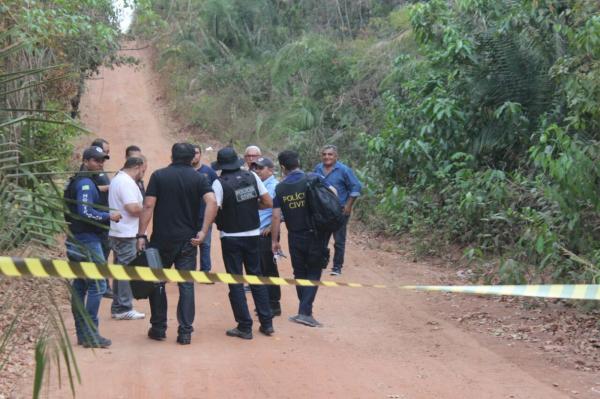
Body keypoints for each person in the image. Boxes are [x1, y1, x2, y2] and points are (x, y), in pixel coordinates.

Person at [137, 143, 217, 345]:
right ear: (192, 159)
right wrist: (203, 230)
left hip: (161, 240)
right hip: (188, 241)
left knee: (157, 283)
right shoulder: (200, 178)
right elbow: (212, 202)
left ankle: (158, 327)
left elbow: (148, 205)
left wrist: (140, 234)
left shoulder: (159, 176)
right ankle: (185, 332)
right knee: (186, 286)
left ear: (171, 156)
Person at [211, 147, 274, 339]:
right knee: (256, 277)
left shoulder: (219, 183)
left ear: (221, 165)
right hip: (253, 234)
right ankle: (267, 323)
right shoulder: (252, 177)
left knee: (236, 281)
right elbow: (268, 202)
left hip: (230, 237)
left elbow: (214, 209)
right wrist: (251, 207)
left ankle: (244, 326)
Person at [64, 146, 122, 347]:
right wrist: (109, 216)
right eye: (96, 161)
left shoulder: (78, 181)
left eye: (102, 161)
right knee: (98, 286)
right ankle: (90, 333)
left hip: (74, 238)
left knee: (80, 285)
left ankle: (83, 334)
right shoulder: (86, 184)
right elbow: (85, 212)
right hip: (86, 241)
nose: (100, 164)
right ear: (86, 160)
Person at [272, 150, 330, 327]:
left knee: (299, 272)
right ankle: (305, 312)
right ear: (298, 162)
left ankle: (304, 311)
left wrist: (275, 241)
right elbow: (331, 194)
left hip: (294, 236)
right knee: (314, 271)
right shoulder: (313, 178)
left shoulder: (280, 188)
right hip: (316, 234)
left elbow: (276, 217)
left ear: (282, 167)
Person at [313, 144, 362, 276]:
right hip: (322, 211)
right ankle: (320, 265)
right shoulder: (318, 168)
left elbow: (356, 186)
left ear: (336, 156)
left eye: (330, 154)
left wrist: (349, 205)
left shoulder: (344, 170)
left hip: (340, 211)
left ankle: (337, 267)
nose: (326, 157)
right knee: (321, 240)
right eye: (324, 154)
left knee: (339, 240)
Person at [108, 156, 147, 320]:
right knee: (127, 269)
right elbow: (132, 207)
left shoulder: (119, 178)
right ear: (137, 167)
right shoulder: (125, 182)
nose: (143, 173)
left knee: (120, 269)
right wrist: (147, 209)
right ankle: (124, 306)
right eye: (143, 170)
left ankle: (118, 306)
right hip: (126, 233)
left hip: (120, 231)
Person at [253, 157, 281, 316]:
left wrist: (272, 228)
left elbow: (281, 211)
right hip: (257, 232)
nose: (257, 171)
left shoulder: (275, 186)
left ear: (270, 170)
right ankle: (265, 304)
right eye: (256, 168)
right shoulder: (259, 184)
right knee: (260, 270)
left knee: (269, 269)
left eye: (261, 168)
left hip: (267, 233)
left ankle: (274, 304)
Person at [91, 138, 114, 297]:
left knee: (105, 251)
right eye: (105, 152)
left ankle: (102, 283)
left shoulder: (100, 171)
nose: (107, 156)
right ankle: (102, 286)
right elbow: (83, 187)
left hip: (105, 217)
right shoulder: (87, 172)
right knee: (101, 252)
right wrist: (108, 187)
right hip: (96, 218)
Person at [192, 145, 218, 272]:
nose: (194, 155)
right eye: (192, 153)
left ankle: (205, 272)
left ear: (200, 154)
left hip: (205, 215)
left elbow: (218, 191)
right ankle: (188, 273)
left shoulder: (209, 172)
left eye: (196, 152)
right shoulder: (185, 172)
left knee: (205, 245)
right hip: (187, 217)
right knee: (189, 246)